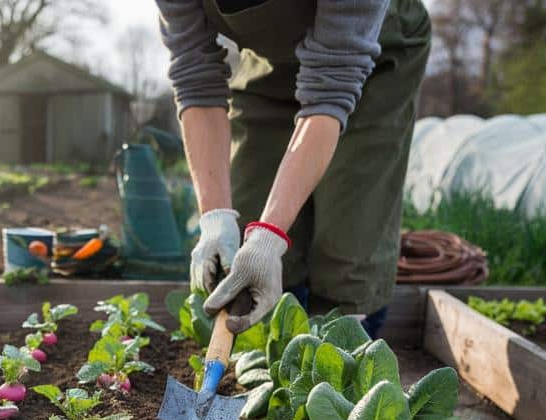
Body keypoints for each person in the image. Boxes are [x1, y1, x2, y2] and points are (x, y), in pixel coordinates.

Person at [156, 0, 430, 336]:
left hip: (371, 58)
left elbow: (331, 88)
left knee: (348, 246)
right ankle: (276, 353)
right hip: (269, 67)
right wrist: (215, 216)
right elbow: (195, 77)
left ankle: (339, 351)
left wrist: (271, 236)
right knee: (245, 236)